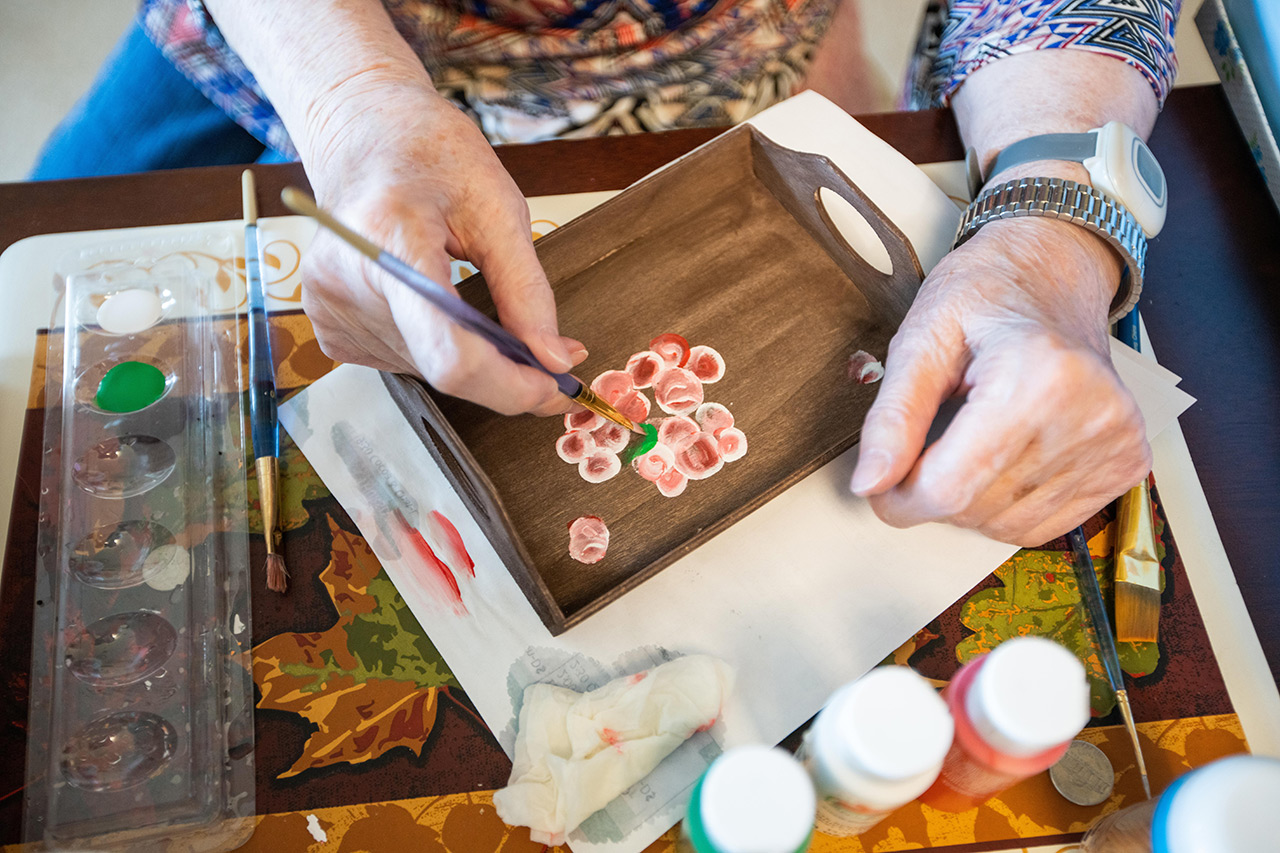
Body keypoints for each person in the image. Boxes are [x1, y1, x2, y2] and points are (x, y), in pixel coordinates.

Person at [32, 0, 1181, 547]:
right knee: (41, 279)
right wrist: (345, 99)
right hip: (288, 42)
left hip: (727, 56)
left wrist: (1046, 229)